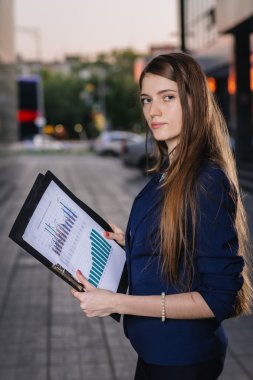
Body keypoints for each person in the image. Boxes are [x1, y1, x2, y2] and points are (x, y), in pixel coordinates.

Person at [71, 52, 252, 380]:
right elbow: (184, 238)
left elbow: (218, 299)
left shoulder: (206, 179)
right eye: (146, 99)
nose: (152, 111)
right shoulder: (169, 171)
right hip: (159, 352)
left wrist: (117, 303)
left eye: (167, 97)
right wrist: (131, 240)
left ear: (194, 101)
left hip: (182, 360)